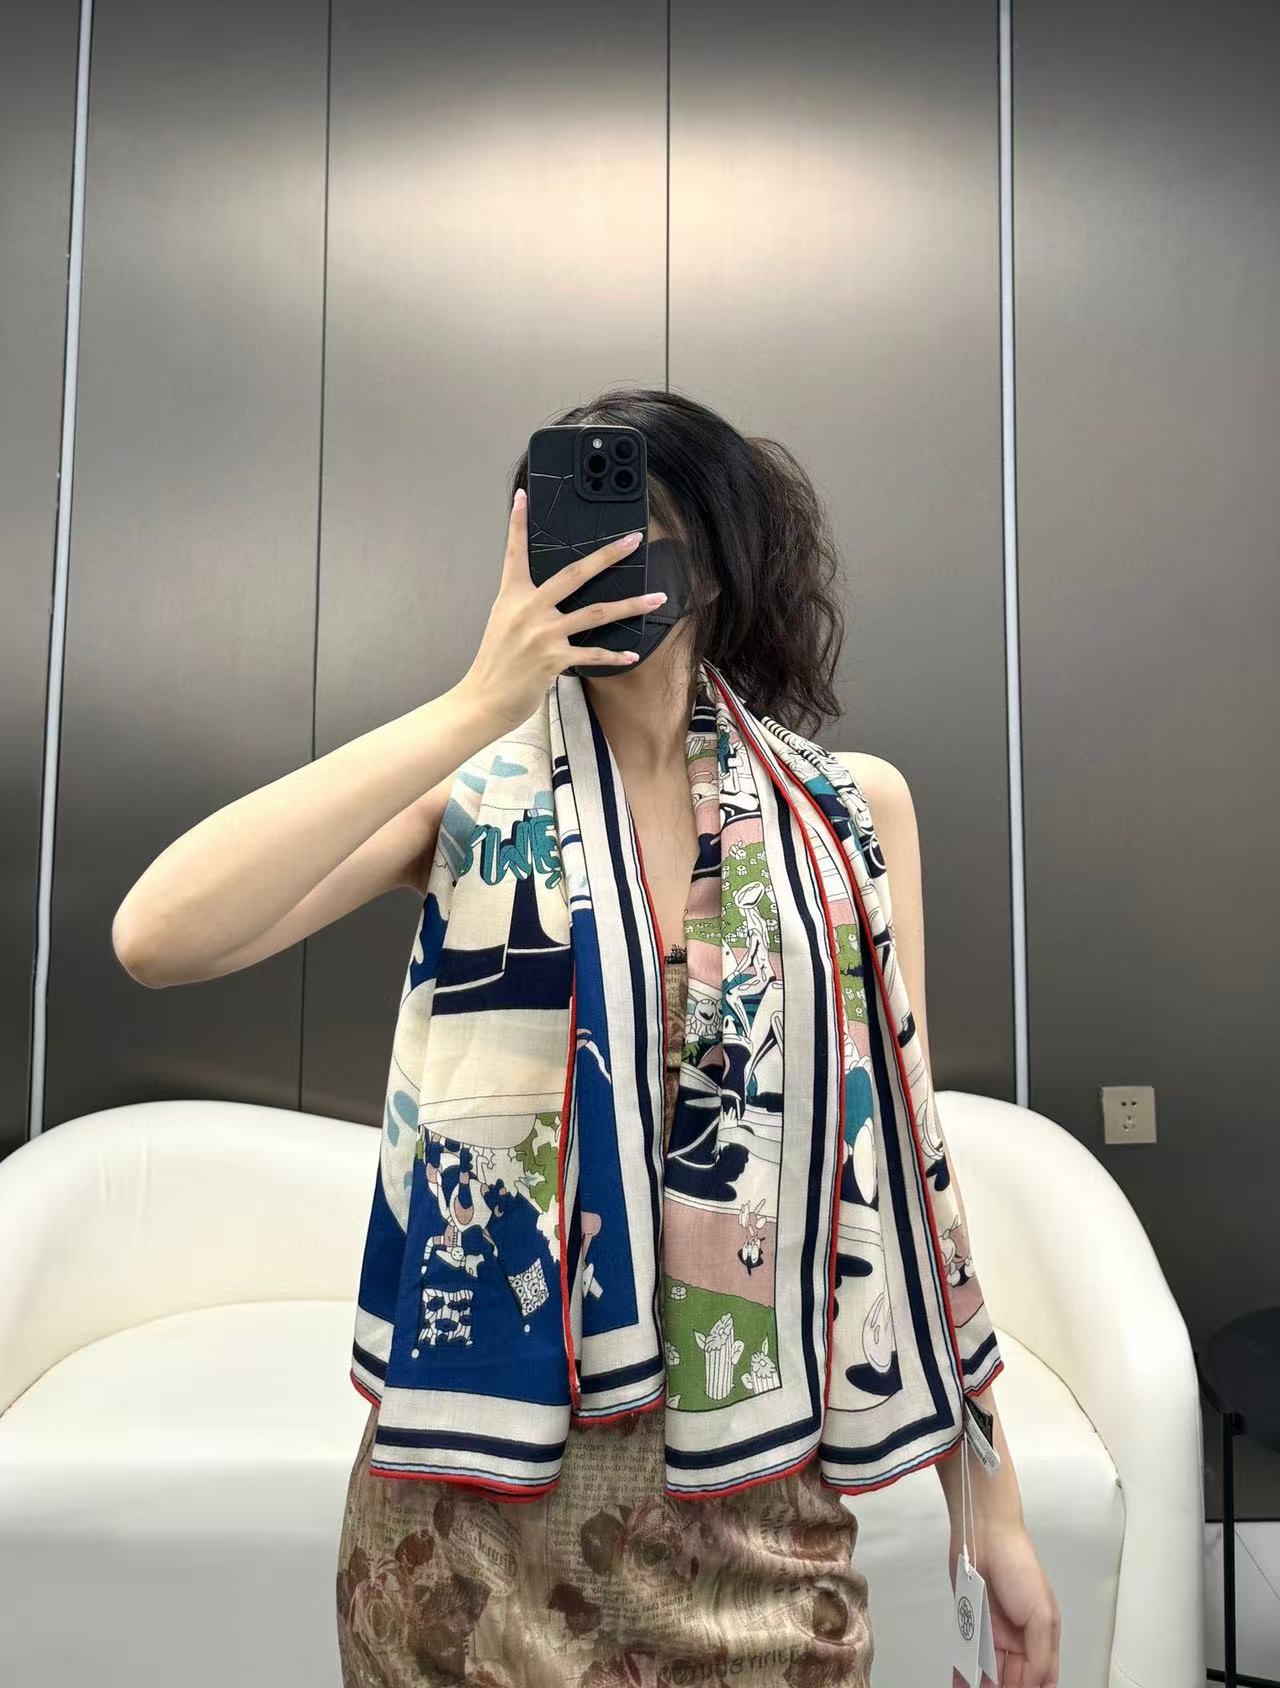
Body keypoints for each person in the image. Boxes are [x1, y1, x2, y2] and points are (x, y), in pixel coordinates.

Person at [113, 387, 1060, 1687]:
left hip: (759, 1526)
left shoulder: (850, 817)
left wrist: (991, 1508)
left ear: (711, 569)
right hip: (469, 1547)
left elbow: (906, 1170)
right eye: (562, 533)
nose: (595, 564)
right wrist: (473, 701)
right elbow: (158, 934)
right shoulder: (467, 798)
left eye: (634, 533)